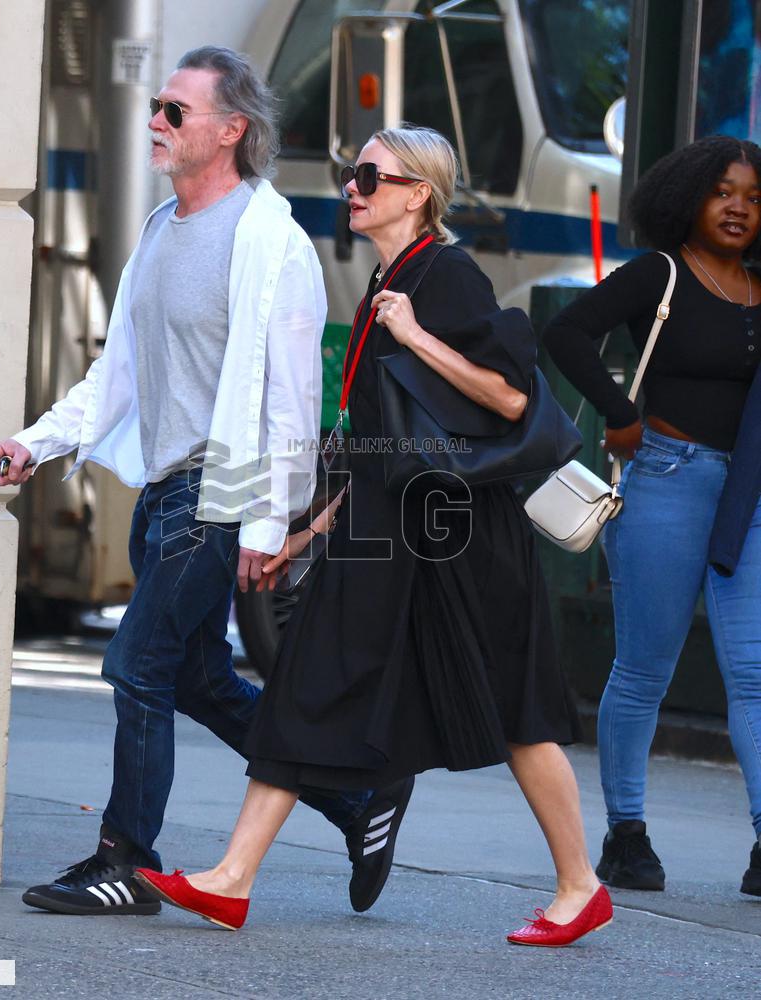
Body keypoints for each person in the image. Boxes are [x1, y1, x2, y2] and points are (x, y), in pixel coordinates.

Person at [133, 125, 613, 947]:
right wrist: (305, 533)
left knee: (514, 713)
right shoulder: (387, 283)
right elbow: (375, 440)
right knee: (306, 683)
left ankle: (580, 885)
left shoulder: (446, 276)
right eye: (346, 175)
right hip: (383, 531)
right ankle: (231, 878)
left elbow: (507, 401)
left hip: (458, 535)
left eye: (367, 176)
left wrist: (416, 335)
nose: (350, 189)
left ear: (418, 192)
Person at [0, 46, 412, 916]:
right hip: (164, 489)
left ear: (231, 130)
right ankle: (357, 799)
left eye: (174, 111)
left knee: (137, 664)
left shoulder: (273, 245)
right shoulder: (159, 230)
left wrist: (265, 527)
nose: (155, 121)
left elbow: (293, 404)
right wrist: (37, 442)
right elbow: (119, 375)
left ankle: (123, 859)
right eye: (156, 106)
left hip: (218, 490)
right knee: (195, 679)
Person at [543, 135, 761, 897]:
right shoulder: (658, 274)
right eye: (722, 192)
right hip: (666, 480)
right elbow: (563, 332)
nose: (738, 207)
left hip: (749, 499)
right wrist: (620, 413)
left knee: (754, 673)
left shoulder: (760, 288)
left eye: (753, 197)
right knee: (643, 671)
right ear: (689, 199)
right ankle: (625, 836)